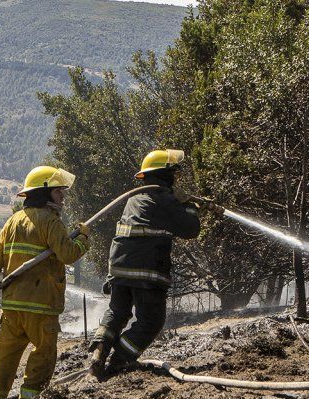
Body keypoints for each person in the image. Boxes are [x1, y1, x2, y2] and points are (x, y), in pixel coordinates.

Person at [88, 149, 218, 379]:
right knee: (151, 320)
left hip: (118, 268)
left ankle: (99, 352)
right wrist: (189, 205)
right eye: (175, 174)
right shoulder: (164, 199)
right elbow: (190, 229)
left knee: (117, 312)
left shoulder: (134, 199)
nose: (177, 179)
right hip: (146, 269)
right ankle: (119, 361)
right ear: (165, 175)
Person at [0, 165, 89, 399]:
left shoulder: (13, 221)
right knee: (43, 354)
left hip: (13, 305)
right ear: (45, 192)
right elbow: (68, 254)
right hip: (41, 305)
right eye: (59, 192)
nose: (63, 197)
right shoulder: (50, 220)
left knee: (4, 354)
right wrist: (82, 238)